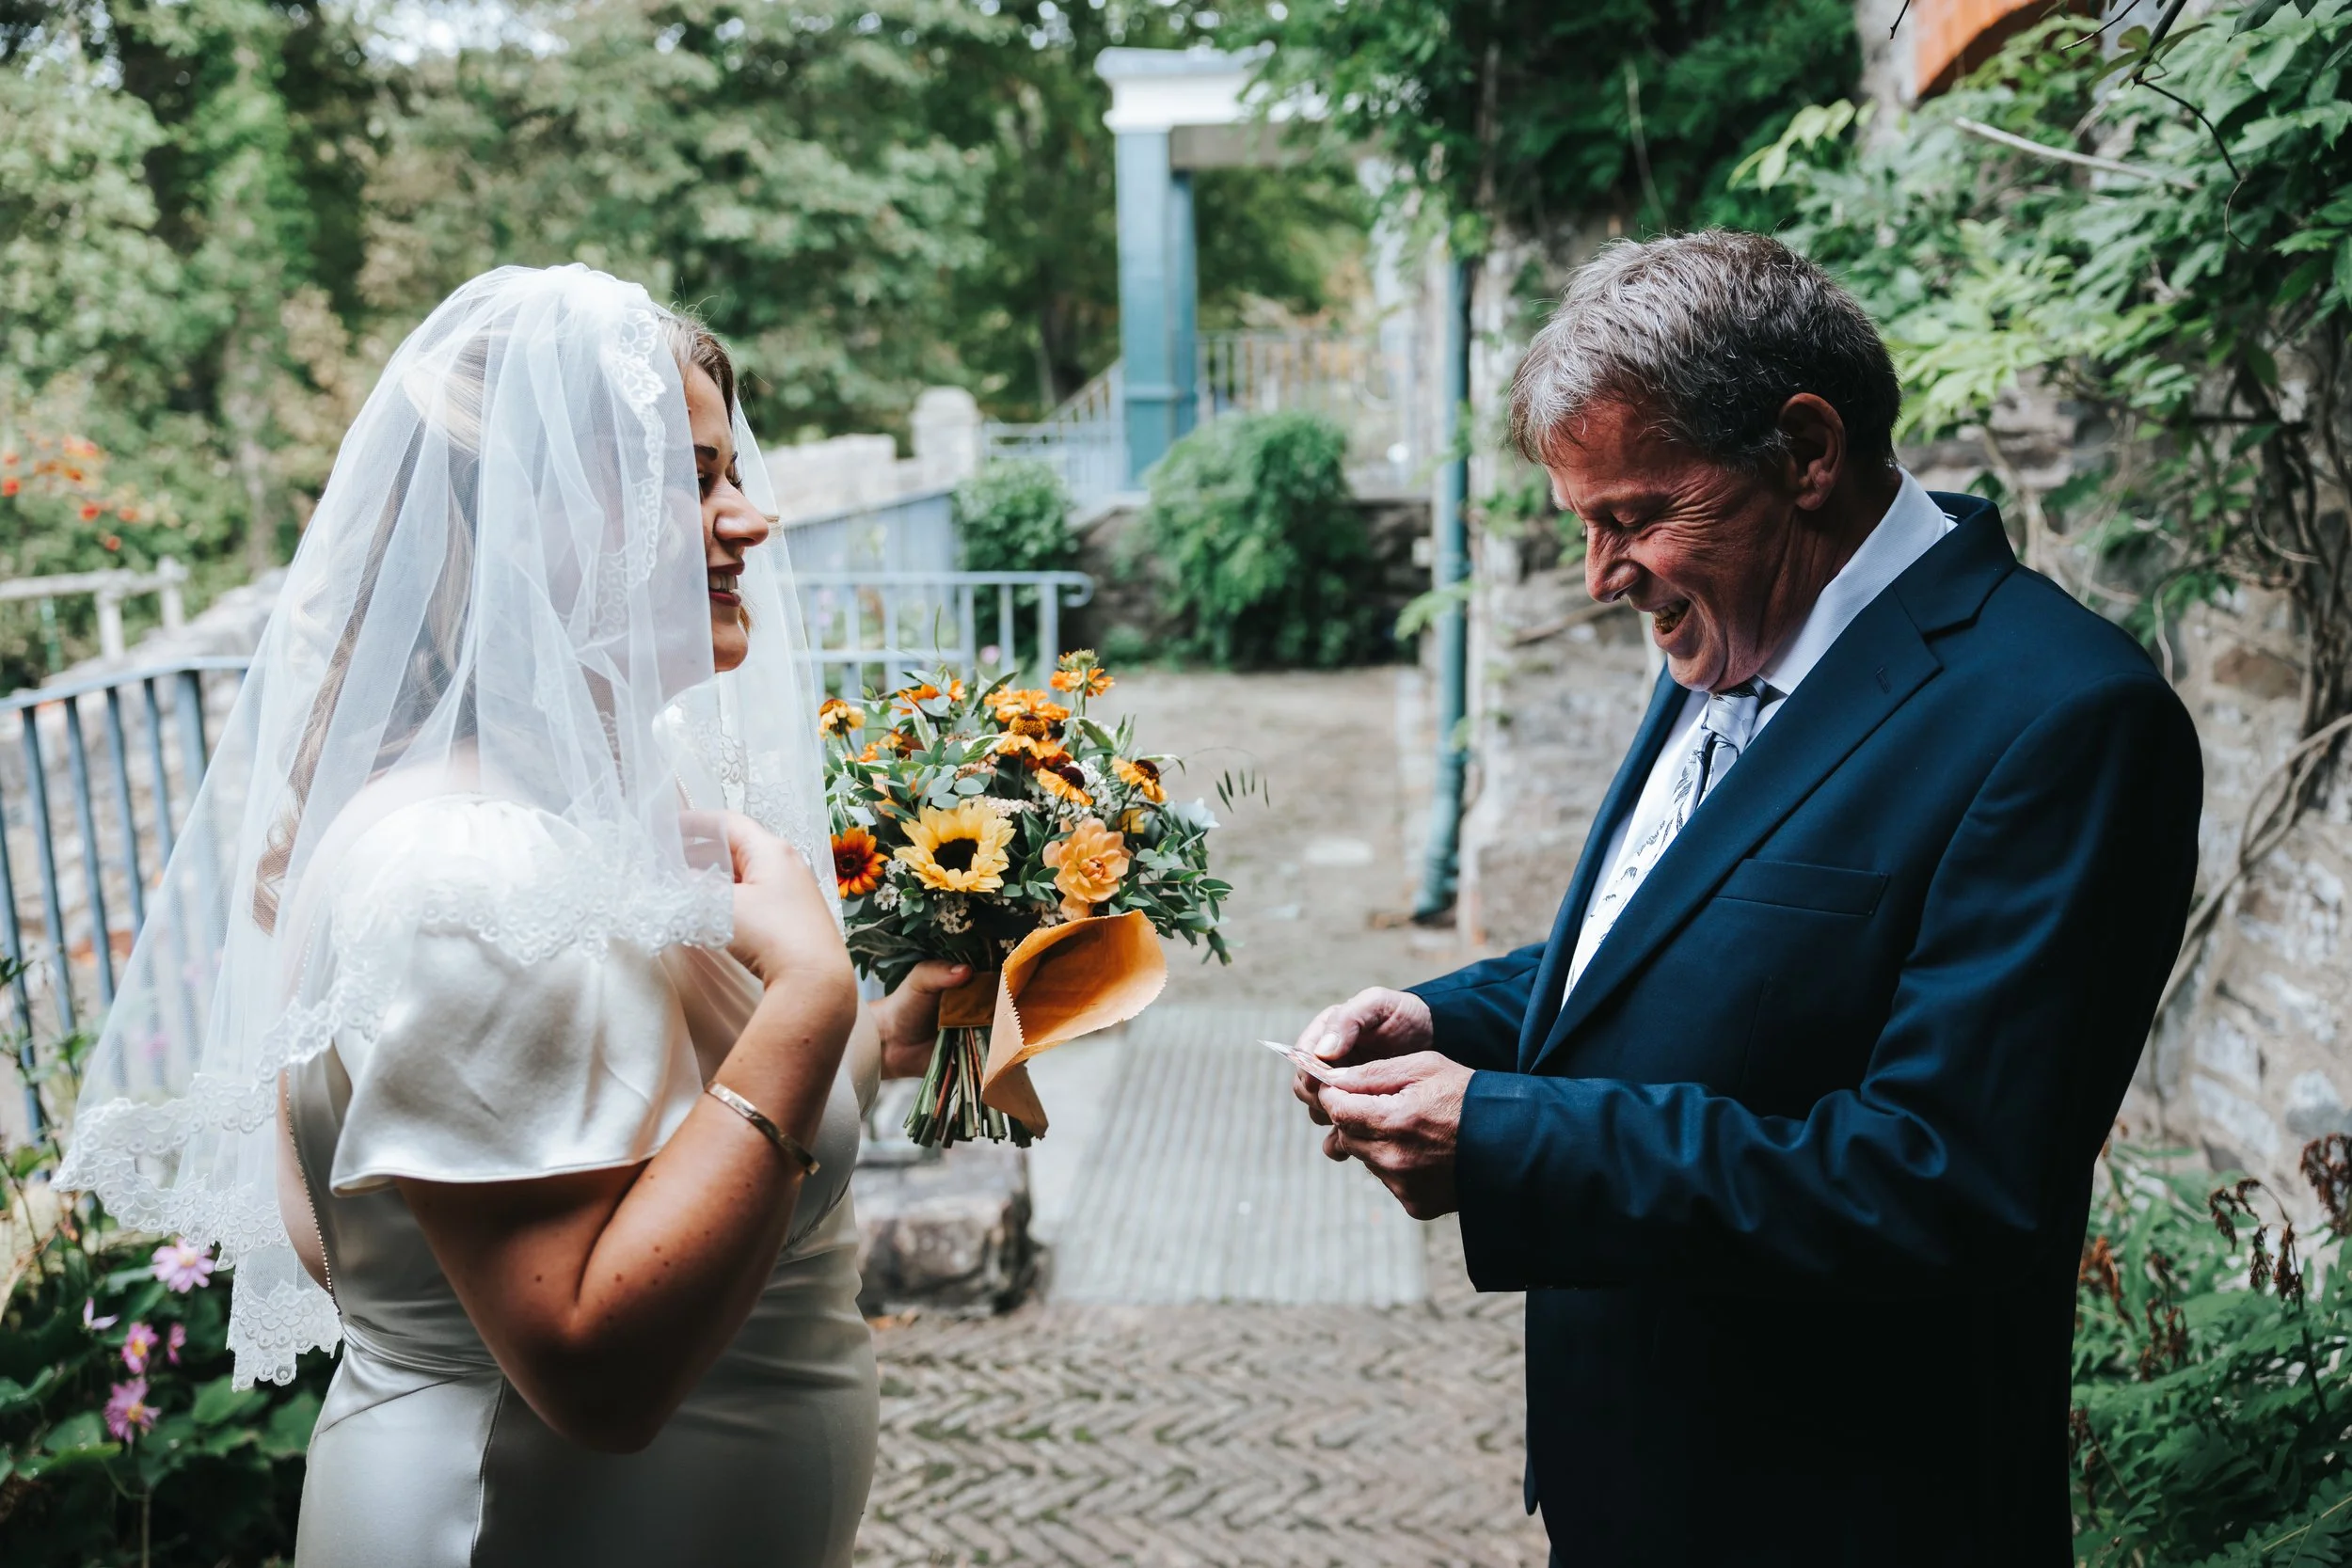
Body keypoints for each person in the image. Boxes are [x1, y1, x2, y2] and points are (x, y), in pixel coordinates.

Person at [1289, 231, 2203, 1565]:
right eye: (1586, 524)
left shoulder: (2066, 720)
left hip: (1840, 1512)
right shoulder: (1736, 620)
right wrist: (1442, 1020)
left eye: (1635, 516)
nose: (1606, 576)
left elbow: (1944, 1186)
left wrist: (1510, 1136)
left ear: (1807, 452)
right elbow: (1686, 937)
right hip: (1631, 1485)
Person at [60, 265, 963, 1567]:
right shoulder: (464, 873)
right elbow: (595, 1373)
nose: (750, 518)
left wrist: (886, 1026)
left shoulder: (588, 811)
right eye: (691, 477)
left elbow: (650, 1123)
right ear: (535, 514)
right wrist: (811, 997)